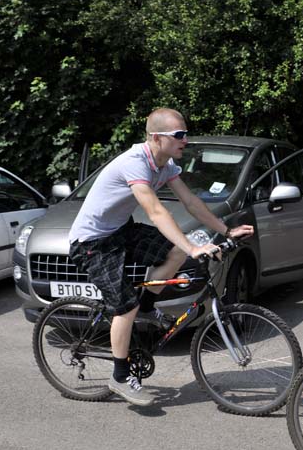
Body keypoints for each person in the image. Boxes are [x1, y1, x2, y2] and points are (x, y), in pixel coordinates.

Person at [68, 108, 254, 407]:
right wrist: (196, 248)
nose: (186, 140)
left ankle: (146, 306)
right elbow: (156, 211)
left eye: (185, 133)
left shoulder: (164, 165)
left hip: (119, 231)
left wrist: (226, 230)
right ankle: (118, 376)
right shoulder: (135, 163)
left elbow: (191, 202)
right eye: (179, 135)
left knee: (175, 251)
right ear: (157, 137)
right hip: (92, 242)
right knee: (124, 307)